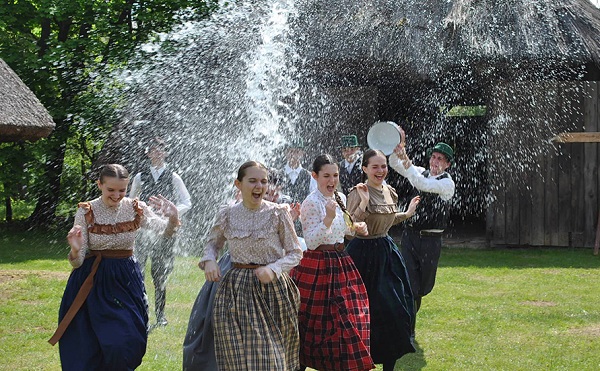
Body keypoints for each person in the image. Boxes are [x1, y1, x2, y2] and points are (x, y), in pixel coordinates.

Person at [48, 164, 179, 371]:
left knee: (129, 340)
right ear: (99, 184)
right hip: (92, 281)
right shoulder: (86, 211)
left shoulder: (136, 208)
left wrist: (173, 217)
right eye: (111, 190)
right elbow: (78, 261)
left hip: (126, 279)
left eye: (122, 190)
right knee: (88, 345)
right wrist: (74, 250)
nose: (117, 195)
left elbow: (165, 231)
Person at [182, 170, 300, 371]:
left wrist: (273, 269)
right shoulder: (227, 213)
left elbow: (295, 253)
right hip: (235, 290)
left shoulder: (278, 212)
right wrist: (210, 261)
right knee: (235, 357)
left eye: (263, 181)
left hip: (272, 290)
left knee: (271, 358)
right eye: (252, 181)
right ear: (238, 184)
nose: (259, 186)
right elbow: (212, 244)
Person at [290, 154, 374, 371]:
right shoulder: (310, 203)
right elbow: (311, 241)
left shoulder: (340, 198)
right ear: (315, 176)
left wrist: (357, 228)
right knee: (313, 323)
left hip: (341, 262)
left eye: (335, 175)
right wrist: (327, 219)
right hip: (317, 266)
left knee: (350, 317)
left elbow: (344, 230)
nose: (332, 180)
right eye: (326, 175)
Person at [345, 149, 420, 371]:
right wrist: (363, 203)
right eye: (375, 166)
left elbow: (386, 219)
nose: (380, 171)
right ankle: (360, 361)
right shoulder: (358, 192)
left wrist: (406, 214)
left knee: (397, 308)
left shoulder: (391, 192)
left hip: (387, 253)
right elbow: (349, 229)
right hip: (362, 255)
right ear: (365, 169)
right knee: (365, 312)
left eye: (384, 166)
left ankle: (389, 366)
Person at [389, 140, 456, 340]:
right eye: (434, 157)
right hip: (410, 237)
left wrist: (407, 160)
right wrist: (397, 147)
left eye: (440, 159)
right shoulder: (419, 171)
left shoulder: (447, 183)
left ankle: (408, 320)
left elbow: (422, 184)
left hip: (431, 240)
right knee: (410, 285)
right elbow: (393, 163)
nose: (435, 162)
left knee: (423, 288)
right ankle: (408, 330)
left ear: (447, 164)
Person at [128, 136, 192, 327]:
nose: (157, 153)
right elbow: (132, 200)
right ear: (148, 153)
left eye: (161, 150)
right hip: (144, 229)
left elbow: (186, 202)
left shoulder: (173, 176)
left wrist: (171, 213)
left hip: (165, 229)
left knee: (160, 273)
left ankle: (161, 315)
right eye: (153, 150)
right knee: (138, 270)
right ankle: (140, 311)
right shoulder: (139, 177)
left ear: (165, 153)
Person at [281, 138, 316, 204]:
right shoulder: (278, 175)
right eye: (291, 151)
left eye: (296, 152)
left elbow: (314, 199)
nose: (293, 155)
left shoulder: (310, 176)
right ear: (285, 153)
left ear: (302, 153)